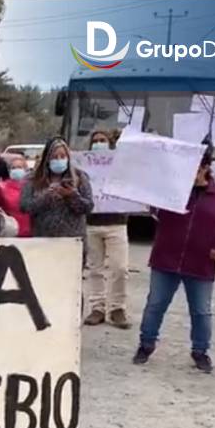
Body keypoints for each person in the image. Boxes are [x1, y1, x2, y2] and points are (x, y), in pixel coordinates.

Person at [133, 148, 215, 373]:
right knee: (155, 305)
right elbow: (156, 211)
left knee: (201, 310)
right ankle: (146, 344)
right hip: (166, 259)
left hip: (200, 262)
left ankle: (200, 351)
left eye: (194, 167)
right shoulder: (172, 191)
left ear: (205, 168)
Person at [83, 130, 131, 329]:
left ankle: (117, 308)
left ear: (110, 143)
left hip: (117, 222)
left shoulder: (120, 166)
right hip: (92, 223)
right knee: (95, 268)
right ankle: (97, 307)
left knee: (120, 267)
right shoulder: (84, 167)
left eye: (102, 140)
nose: (98, 144)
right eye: (95, 141)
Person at [20, 137, 93, 238]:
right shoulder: (33, 179)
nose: (59, 160)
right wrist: (46, 197)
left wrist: (71, 195)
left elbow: (88, 207)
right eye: (54, 157)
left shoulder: (79, 177)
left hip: (73, 241)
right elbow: (24, 206)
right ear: (47, 159)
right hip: (43, 240)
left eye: (63, 156)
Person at [0, 156, 32, 237]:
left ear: (25, 170)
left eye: (19, 167)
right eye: (13, 168)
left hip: (30, 233)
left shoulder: (32, 187)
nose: (16, 170)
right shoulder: (2, 187)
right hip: (10, 232)